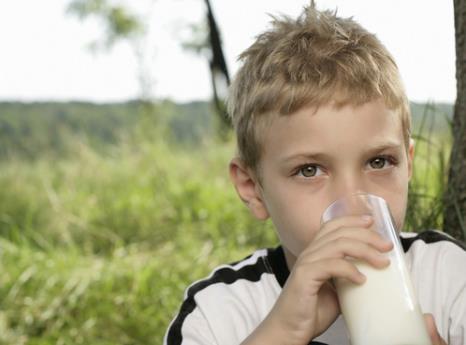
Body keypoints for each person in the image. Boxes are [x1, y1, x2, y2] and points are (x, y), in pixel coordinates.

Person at [164, 2, 466, 344]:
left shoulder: (447, 275)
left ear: (408, 164)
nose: (353, 206)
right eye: (309, 170)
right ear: (252, 187)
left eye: (379, 162)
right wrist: (283, 331)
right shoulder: (219, 311)